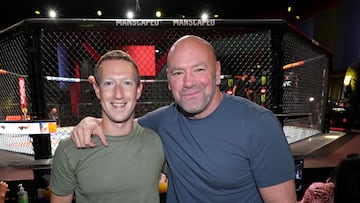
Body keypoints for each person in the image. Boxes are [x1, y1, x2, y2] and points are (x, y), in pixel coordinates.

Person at [71, 35, 297, 202]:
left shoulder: (259, 125)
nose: (188, 82)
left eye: (198, 69)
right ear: (169, 80)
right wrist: (92, 121)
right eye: (178, 73)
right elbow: (122, 126)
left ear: (217, 72)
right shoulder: (163, 121)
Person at [50, 50, 166, 203]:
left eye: (127, 83)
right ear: (97, 90)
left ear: (139, 90)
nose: (118, 94)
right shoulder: (70, 149)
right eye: (109, 83)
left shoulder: (159, 142)